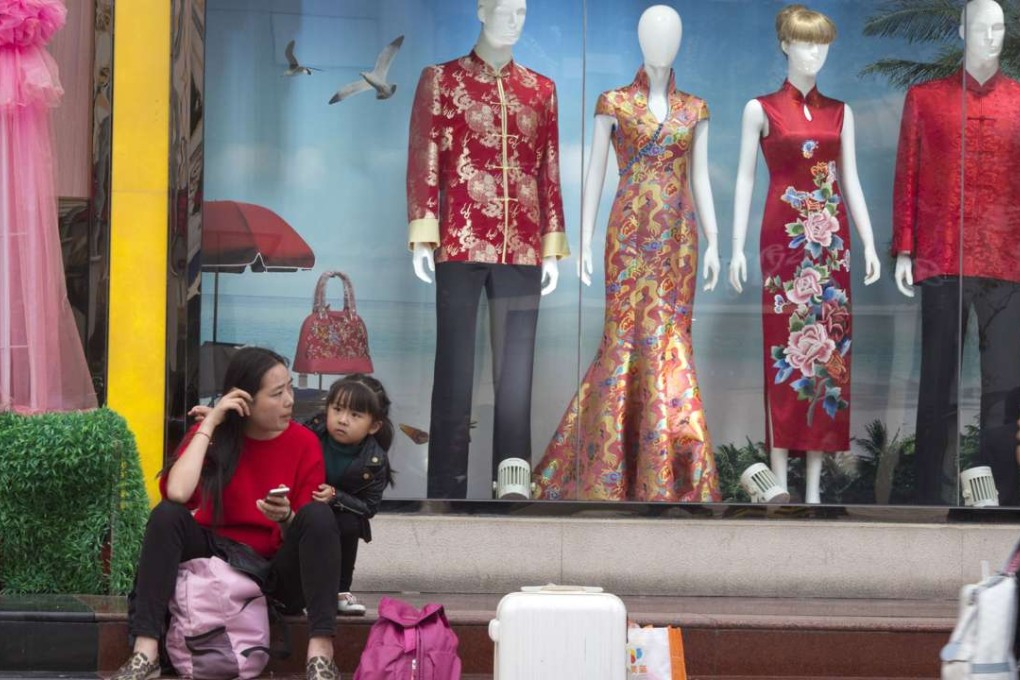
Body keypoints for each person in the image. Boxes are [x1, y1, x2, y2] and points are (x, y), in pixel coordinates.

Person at [532, 5, 720, 502]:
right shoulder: (613, 102)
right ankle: (609, 471)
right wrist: (587, 239)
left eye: (673, 34)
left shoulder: (694, 108)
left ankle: (669, 475)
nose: (665, 42)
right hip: (629, 234)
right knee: (623, 340)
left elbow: (699, 178)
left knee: (671, 341)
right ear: (640, 40)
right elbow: (595, 174)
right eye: (655, 34)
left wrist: (718, 242)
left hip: (679, 240)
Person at [406, 0, 569, 498]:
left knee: (516, 375)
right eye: (505, 9)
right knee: (454, 367)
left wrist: (552, 245)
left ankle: (512, 481)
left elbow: (549, 167)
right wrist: (423, 232)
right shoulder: (442, 79)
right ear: (481, 12)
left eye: (522, 11)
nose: (514, 19)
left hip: (521, 243)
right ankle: (447, 487)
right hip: (458, 239)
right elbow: (424, 155)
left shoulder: (541, 88)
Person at [112, 347, 343, 680]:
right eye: (277, 394)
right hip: (214, 559)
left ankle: (320, 657)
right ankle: (145, 653)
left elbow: (310, 536)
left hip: (272, 574)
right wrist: (212, 422)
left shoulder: (305, 443)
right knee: (166, 515)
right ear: (244, 402)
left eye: (289, 388)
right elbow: (177, 493)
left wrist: (286, 518)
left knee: (320, 516)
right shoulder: (217, 434)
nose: (290, 400)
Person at [729, 4, 881, 504]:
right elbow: (746, 181)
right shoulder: (762, 108)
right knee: (786, 355)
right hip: (785, 244)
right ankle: (777, 481)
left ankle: (814, 489)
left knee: (827, 359)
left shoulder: (842, 112)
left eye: (822, 44)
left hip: (831, 248)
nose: (815, 52)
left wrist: (870, 241)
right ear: (784, 45)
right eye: (805, 42)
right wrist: (734, 248)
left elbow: (850, 180)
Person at [892, 0, 1020, 506]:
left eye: (1000, 27)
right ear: (961, 30)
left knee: (1005, 388)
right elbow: (907, 175)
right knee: (938, 383)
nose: (992, 35)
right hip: (941, 258)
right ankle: (933, 495)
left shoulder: (1019, 100)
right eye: (982, 26)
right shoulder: (925, 98)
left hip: (1008, 262)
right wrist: (904, 248)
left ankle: (1003, 496)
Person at [307, 374, 395, 615]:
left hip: (338, 516)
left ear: (374, 425)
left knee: (349, 524)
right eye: (337, 409)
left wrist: (335, 496)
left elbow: (369, 507)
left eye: (355, 415)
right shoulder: (311, 430)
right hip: (303, 509)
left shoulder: (375, 461)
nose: (343, 420)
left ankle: (340, 592)